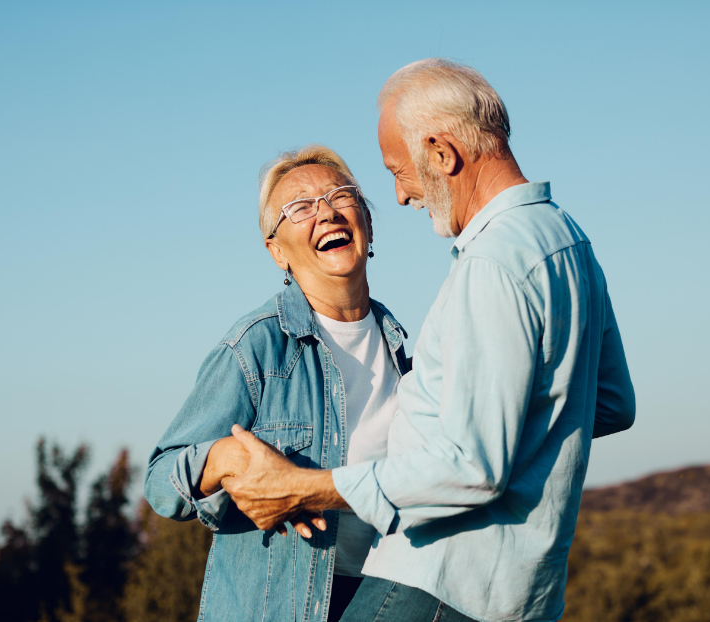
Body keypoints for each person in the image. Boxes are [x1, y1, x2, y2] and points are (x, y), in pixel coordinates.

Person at [222, 58, 637, 622]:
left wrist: (307, 487)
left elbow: (472, 467)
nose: (400, 195)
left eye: (399, 170)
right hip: (524, 593)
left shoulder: (491, 263)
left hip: (436, 583)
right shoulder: (567, 240)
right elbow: (610, 402)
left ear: (443, 154)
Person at [144, 145, 410, 621]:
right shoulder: (256, 346)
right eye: (300, 207)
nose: (326, 211)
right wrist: (224, 458)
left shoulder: (404, 349)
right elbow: (161, 481)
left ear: (367, 223)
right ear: (277, 251)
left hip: (382, 599)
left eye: (340, 195)